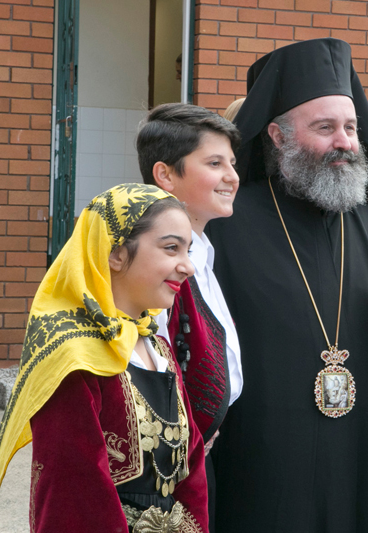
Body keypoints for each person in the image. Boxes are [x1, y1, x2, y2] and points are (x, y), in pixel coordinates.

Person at [204, 38, 368, 533]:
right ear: (276, 134)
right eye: (325, 128)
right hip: (261, 467)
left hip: (359, 459)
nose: (345, 142)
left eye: (351, 127)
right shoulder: (223, 226)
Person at [0, 184, 209, 532]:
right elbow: (73, 493)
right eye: (171, 248)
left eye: (188, 250)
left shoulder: (157, 347)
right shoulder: (74, 360)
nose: (188, 266)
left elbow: (192, 467)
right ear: (116, 253)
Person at [139, 103, 241, 532]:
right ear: (166, 175)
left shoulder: (204, 249)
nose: (232, 176)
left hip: (203, 455)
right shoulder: (153, 260)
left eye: (232, 163)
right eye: (214, 163)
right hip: (166, 470)